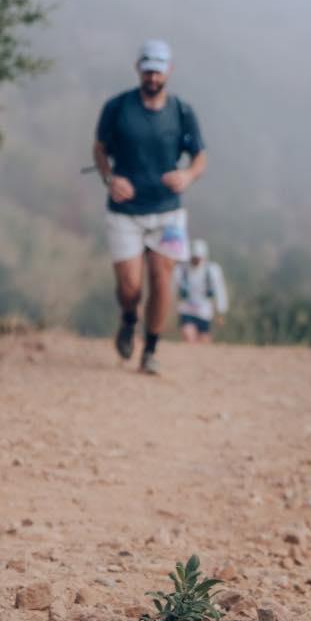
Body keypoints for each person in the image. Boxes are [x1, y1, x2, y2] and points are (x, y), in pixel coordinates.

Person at [93, 39, 206, 375]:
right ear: (138, 70)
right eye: (147, 71)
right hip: (125, 210)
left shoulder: (182, 111)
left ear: (168, 70)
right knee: (130, 288)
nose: (153, 77)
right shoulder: (117, 108)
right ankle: (129, 318)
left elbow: (199, 155)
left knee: (162, 279)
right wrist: (110, 178)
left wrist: (188, 175)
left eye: (158, 71)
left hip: (168, 210)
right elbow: (99, 149)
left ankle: (151, 350)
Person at [172, 238, 229, 341]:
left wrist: (221, 311)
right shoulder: (181, 270)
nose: (196, 260)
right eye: (194, 257)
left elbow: (220, 291)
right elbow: (172, 289)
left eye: (198, 258)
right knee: (188, 335)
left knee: (203, 340)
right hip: (186, 309)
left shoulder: (212, 271)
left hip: (204, 311)